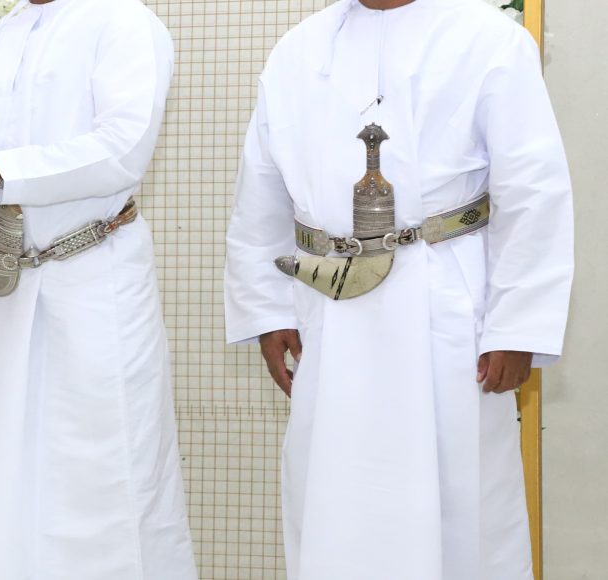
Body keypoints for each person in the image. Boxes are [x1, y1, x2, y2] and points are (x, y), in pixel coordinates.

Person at [223, 0, 574, 578]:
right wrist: (265, 309)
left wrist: (518, 326)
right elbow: (260, 190)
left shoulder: (489, 38)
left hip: (446, 305)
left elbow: (533, 191)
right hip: (327, 312)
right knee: (332, 496)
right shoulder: (298, 49)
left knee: (459, 501)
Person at [0, 0, 197, 578]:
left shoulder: (123, 20)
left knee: (99, 479)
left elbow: (122, 151)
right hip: (2, 291)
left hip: (91, 284)